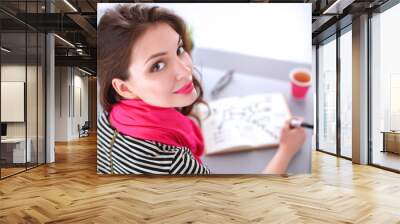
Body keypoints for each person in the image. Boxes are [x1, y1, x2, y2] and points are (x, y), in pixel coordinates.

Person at [97, 3, 305, 175]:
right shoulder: (172, 163)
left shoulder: (109, 117)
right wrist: (286, 151)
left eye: (178, 50)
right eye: (157, 66)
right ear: (124, 87)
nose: (186, 71)